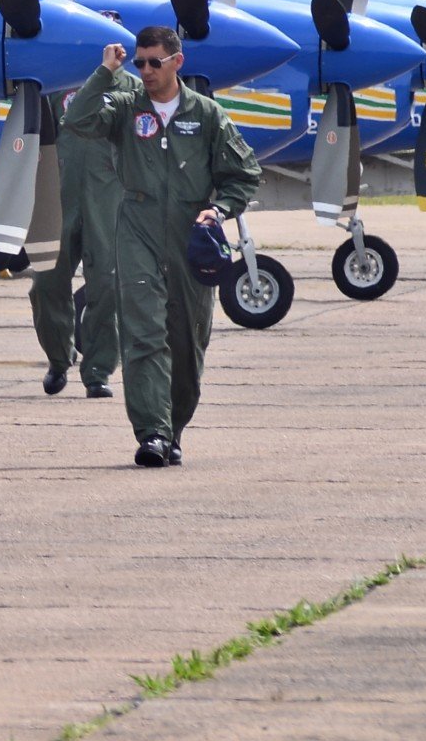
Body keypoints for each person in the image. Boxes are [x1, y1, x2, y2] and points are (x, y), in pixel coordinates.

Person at [64, 26, 261, 467]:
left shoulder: (207, 115)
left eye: (155, 62)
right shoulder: (125, 108)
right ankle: (151, 431)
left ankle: (174, 429)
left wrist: (220, 210)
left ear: (177, 62)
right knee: (143, 333)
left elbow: (244, 174)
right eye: (139, 63)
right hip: (137, 225)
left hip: (191, 232)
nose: (147, 71)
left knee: (188, 340)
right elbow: (77, 121)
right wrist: (104, 72)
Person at [29, 68, 142, 398]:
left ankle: (98, 370)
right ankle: (58, 359)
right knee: (45, 282)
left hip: (110, 201)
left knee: (107, 286)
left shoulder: (134, 89)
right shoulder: (57, 83)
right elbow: (31, 137)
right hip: (59, 199)